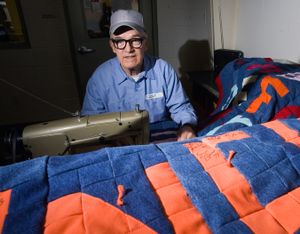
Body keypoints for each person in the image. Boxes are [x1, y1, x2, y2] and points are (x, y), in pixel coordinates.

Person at [81, 9, 198, 141]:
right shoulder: (100, 78)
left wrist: (187, 126)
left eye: (135, 40)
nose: (128, 49)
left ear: (145, 43)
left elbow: (181, 107)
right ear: (112, 46)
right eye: (120, 42)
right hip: (117, 142)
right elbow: (90, 122)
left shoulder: (163, 70)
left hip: (158, 137)